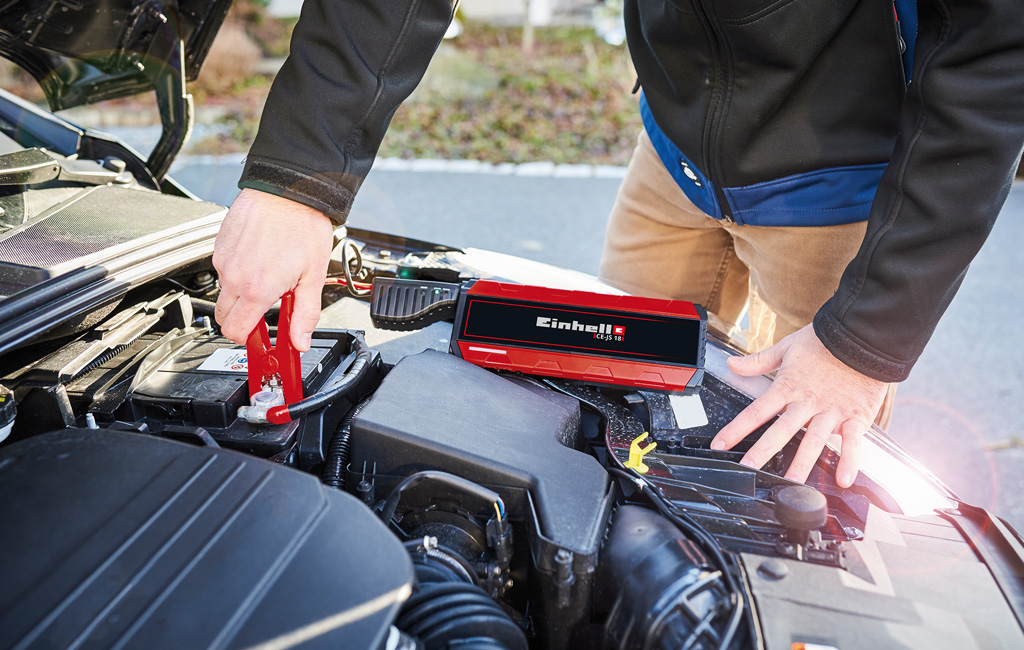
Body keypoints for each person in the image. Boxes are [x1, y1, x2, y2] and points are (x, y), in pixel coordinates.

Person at [213, 0, 1024, 488]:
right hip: (671, 156)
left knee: (804, 470)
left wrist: (863, 341)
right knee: (610, 404)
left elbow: (995, 58)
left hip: (840, 182)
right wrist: (299, 180)